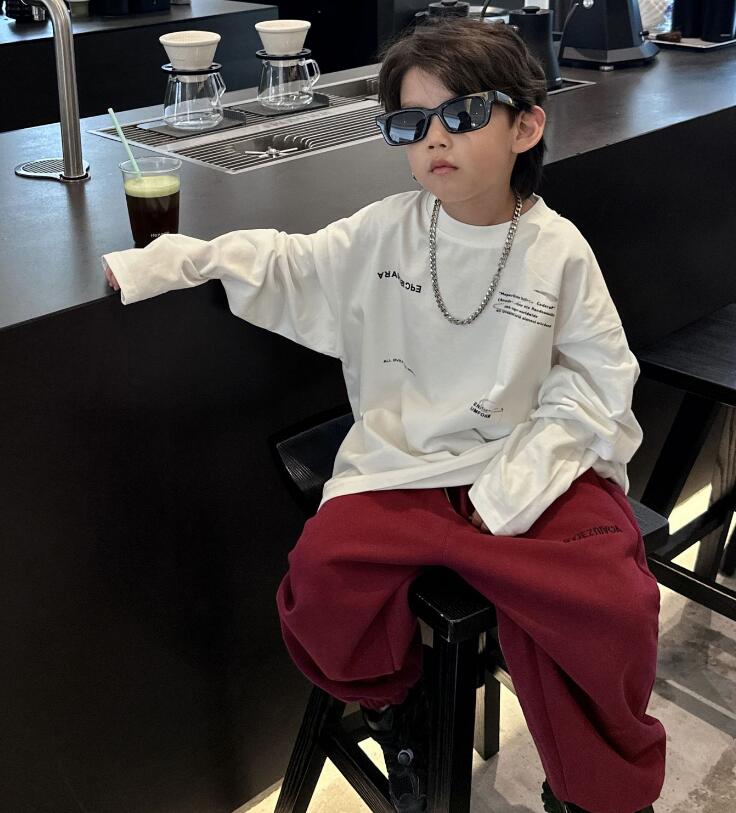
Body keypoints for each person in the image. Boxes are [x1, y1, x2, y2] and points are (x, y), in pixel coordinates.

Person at [102, 18, 666, 813]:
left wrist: (521, 480)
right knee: (322, 577)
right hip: (406, 463)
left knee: (610, 597)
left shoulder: (557, 249)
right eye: (411, 122)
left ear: (526, 126)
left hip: (528, 460)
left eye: (463, 114)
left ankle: (593, 788)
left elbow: (598, 379)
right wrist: (172, 259)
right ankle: (397, 712)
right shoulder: (385, 231)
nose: (435, 137)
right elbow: (287, 262)